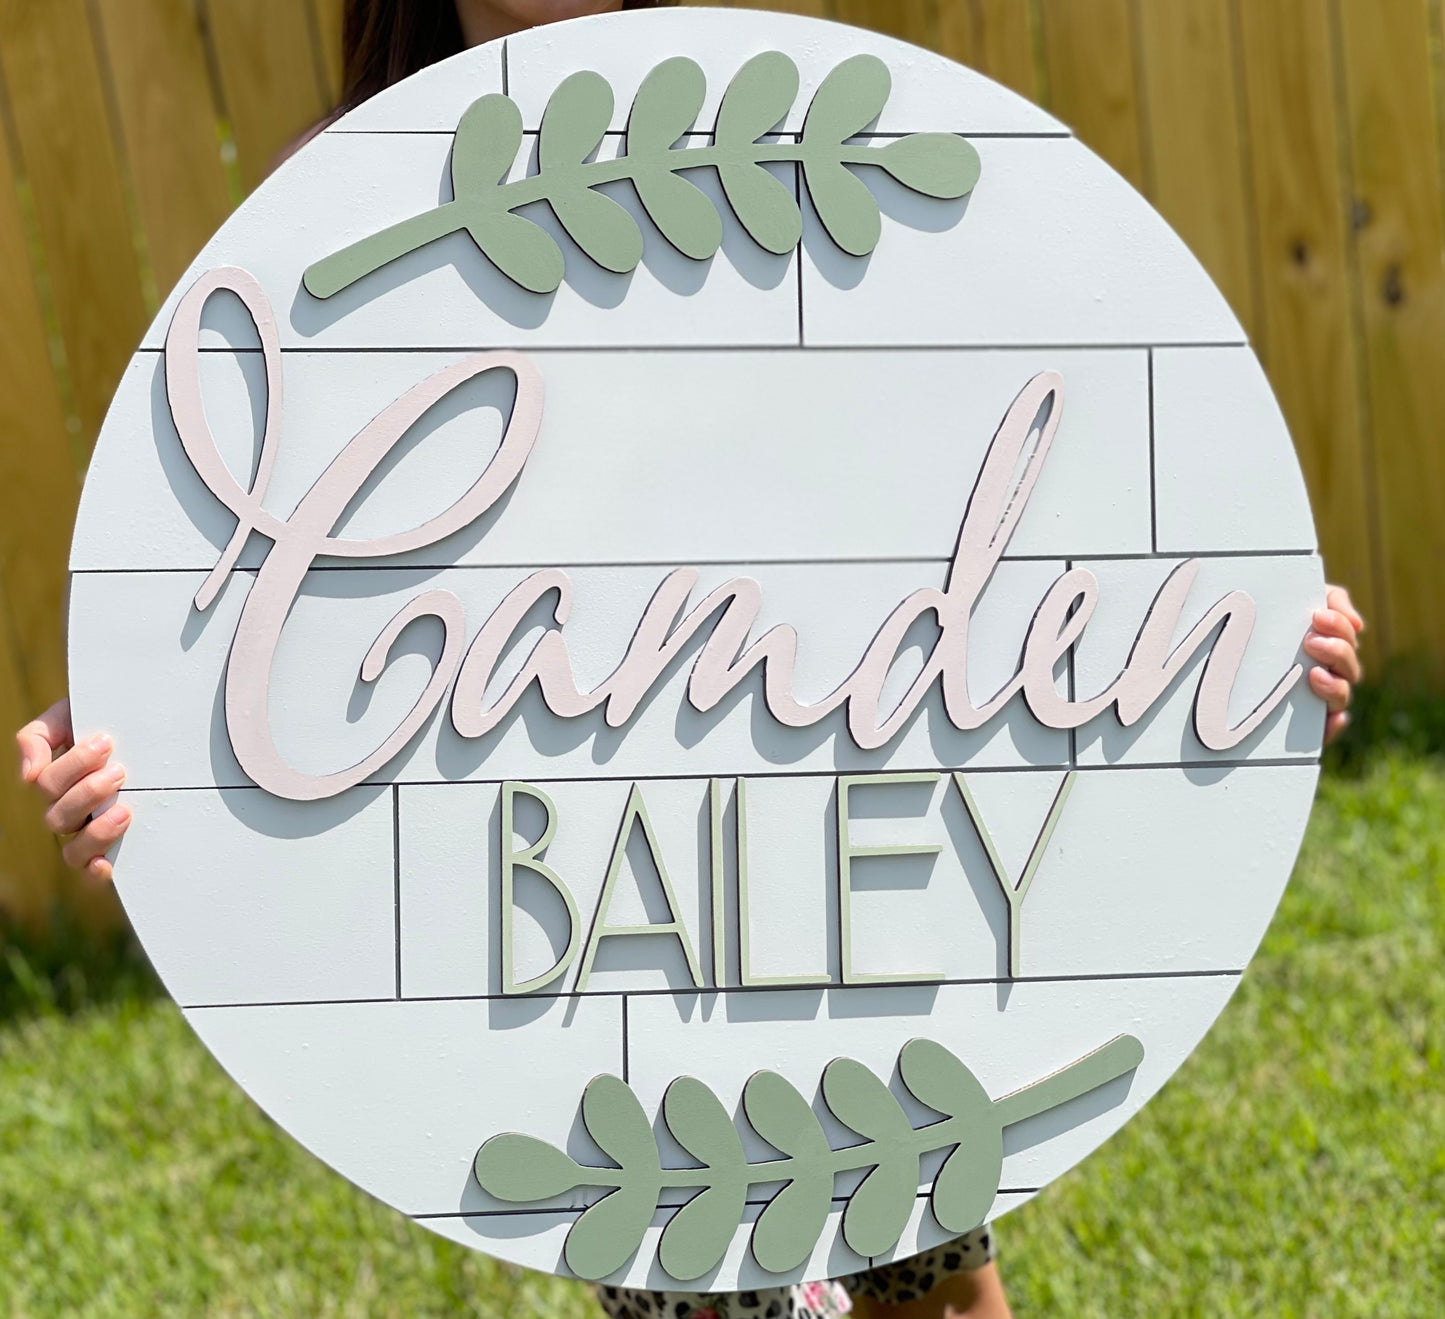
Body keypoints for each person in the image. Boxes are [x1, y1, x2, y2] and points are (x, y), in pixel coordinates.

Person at [13, 2, 1369, 1316]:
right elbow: (271, 537)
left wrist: (1236, 635)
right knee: (700, 1271)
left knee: (926, 1254)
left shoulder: (764, 123)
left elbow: (964, 443)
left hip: (823, 780)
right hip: (564, 845)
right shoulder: (351, 206)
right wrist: (148, 698)